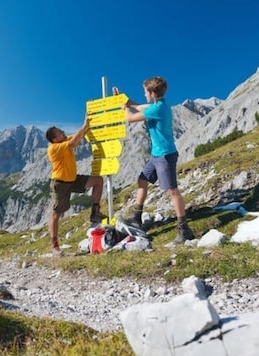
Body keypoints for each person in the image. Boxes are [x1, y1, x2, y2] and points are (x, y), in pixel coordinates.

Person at [114, 76, 194, 244]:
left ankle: (184, 228)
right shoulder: (158, 105)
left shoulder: (158, 109)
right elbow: (136, 105)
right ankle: (136, 217)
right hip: (156, 155)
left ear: (152, 93)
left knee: (173, 191)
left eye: (145, 92)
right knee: (142, 180)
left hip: (165, 155)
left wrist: (123, 107)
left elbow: (130, 117)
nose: (144, 94)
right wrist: (123, 98)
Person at [46, 115, 107, 255]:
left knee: (98, 180)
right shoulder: (54, 148)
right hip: (60, 183)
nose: (63, 131)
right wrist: (84, 125)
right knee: (56, 213)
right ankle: (54, 244)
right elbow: (73, 142)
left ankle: (95, 213)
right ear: (54, 139)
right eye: (59, 132)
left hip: (72, 179)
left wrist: (92, 121)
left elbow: (79, 135)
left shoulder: (64, 140)